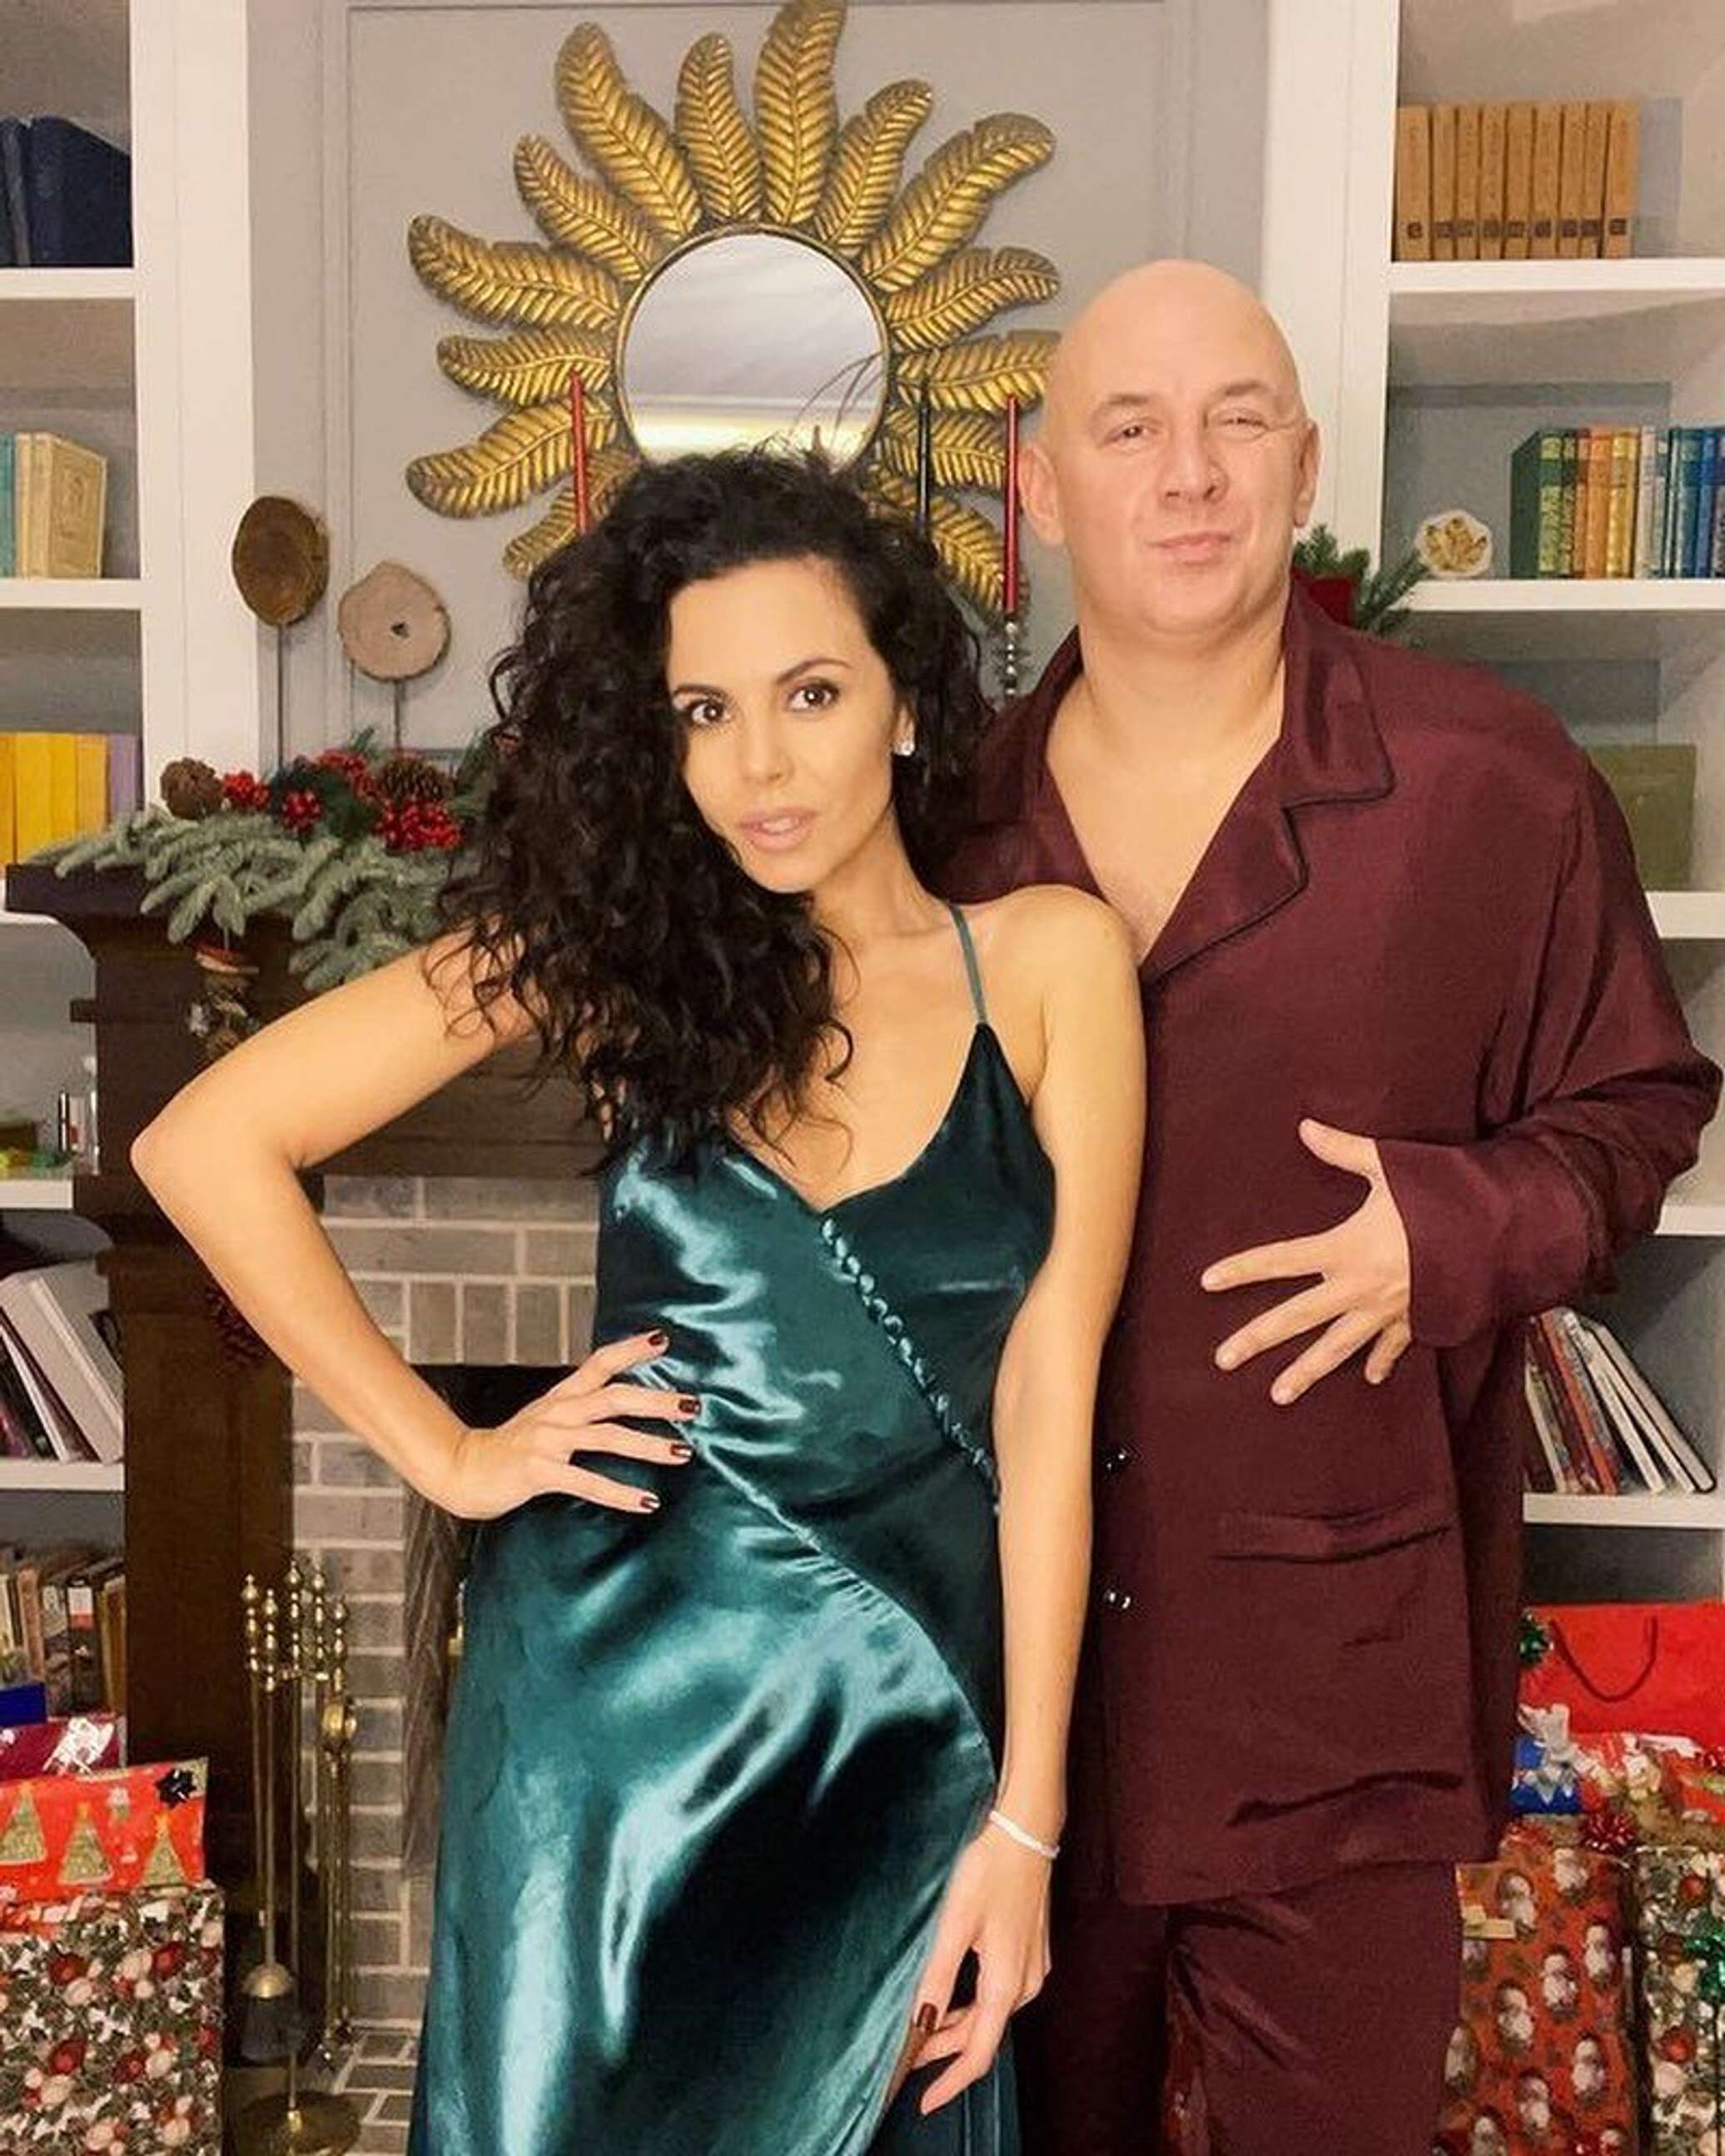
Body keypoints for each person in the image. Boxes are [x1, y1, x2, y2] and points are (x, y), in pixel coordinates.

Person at [130, 450, 1145, 2155]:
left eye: (810, 693)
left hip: (901, 1733)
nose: (758, 764)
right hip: (602, 1742)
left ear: (905, 702)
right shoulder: (607, 957)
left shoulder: (1051, 962)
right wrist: (450, 1454)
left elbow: (1055, 1388)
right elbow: (203, 1140)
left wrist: (1028, 1817)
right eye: (703, 711)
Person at [940, 260, 1720, 2152]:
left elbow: (1640, 1104)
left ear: (1302, 463)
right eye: (1130, 427)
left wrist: (1444, 1230)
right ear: (1043, 486)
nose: (1188, 473)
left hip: (1334, 1694)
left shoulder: (1491, 784)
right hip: (1000, 1709)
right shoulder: (941, 828)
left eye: (1238, 422)